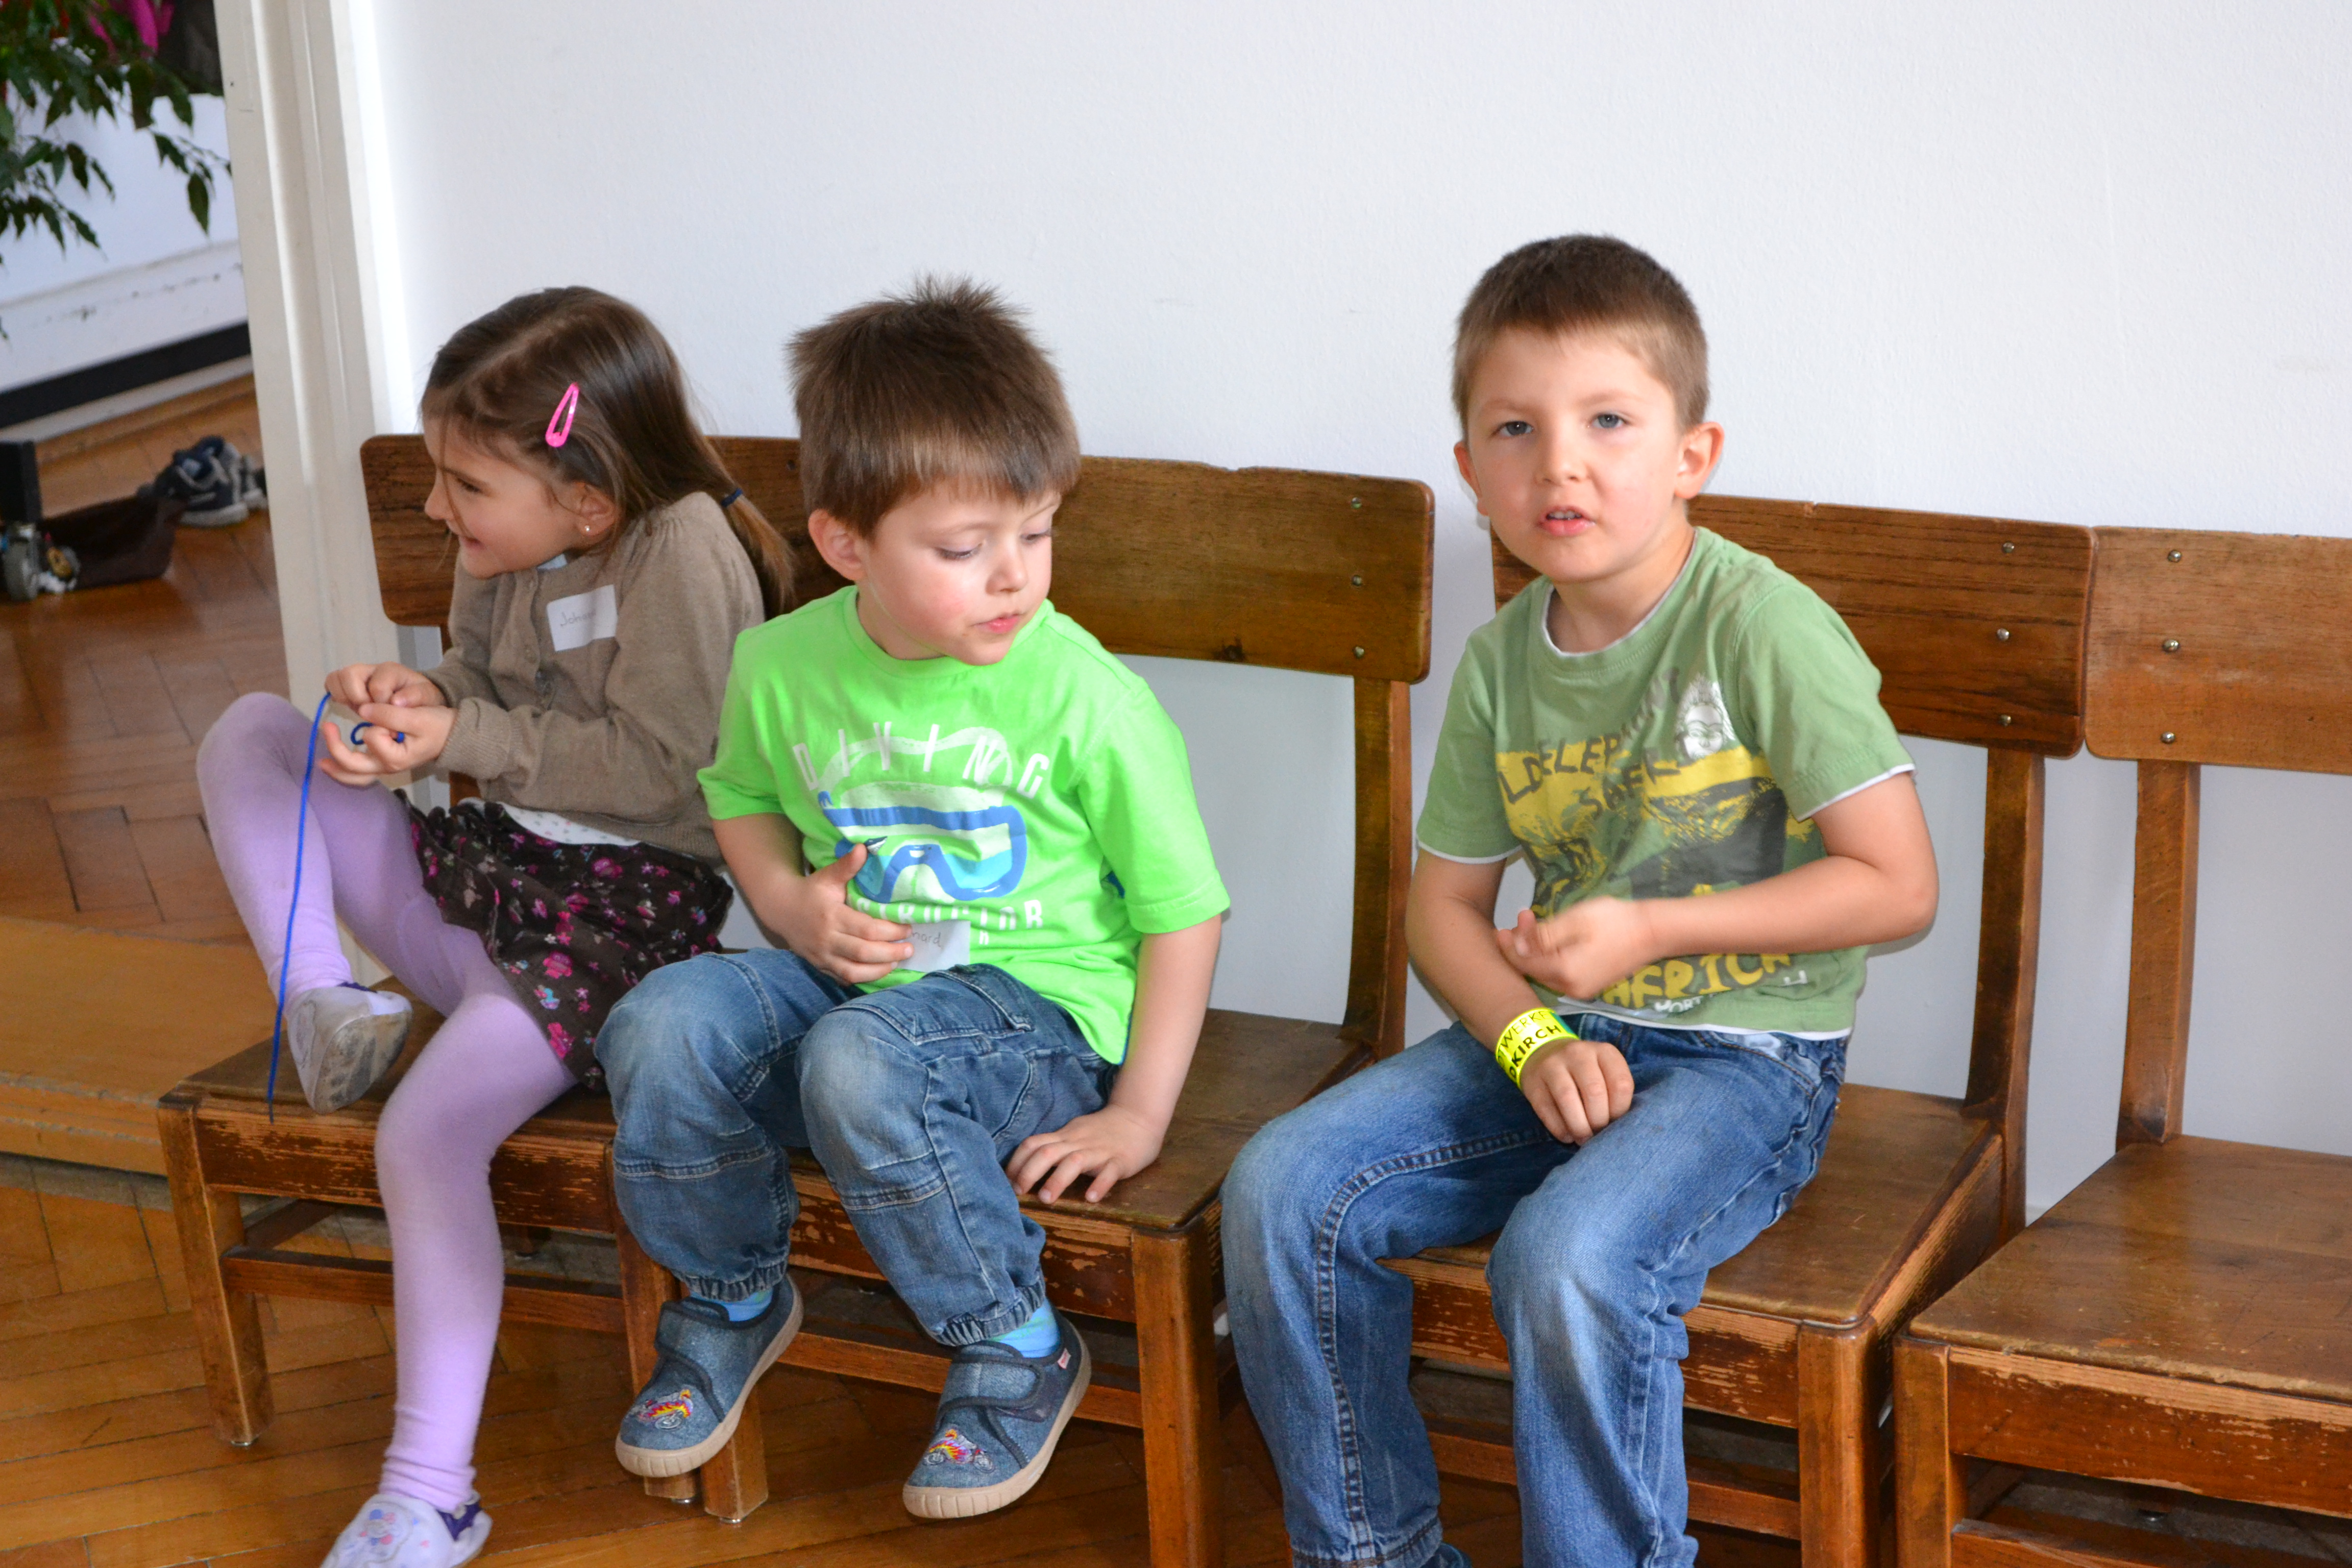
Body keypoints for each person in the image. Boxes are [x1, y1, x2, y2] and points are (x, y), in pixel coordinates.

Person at [1221, 235, 1941, 1568]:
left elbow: (1898, 885)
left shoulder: (1761, 628)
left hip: (1749, 1061)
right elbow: (1442, 911)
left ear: (1691, 453)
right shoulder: (1502, 663)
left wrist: (1655, 928)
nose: (1561, 464)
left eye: (1609, 420)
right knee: (1281, 1188)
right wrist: (1527, 1037)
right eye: (1517, 428)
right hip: (1560, 1042)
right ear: (1470, 470)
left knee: (1565, 1257)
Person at [595, 278, 1229, 1521]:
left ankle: (1015, 1341)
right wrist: (787, 906)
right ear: (846, 547)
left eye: (1036, 532)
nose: (1015, 578)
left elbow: (1183, 910)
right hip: (854, 997)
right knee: (662, 1022)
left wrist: (1140, 1112)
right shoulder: (782, 663)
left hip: (1038, 1025)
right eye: (964, 549)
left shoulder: (1087, 698)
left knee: (862, 1058)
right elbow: (739, 795)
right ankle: (731, 1293)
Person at [195, 286, 791, 1568]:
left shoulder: (680, 550)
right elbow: (481, 686)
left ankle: (428, 1496)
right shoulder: (504, 550)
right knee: (258, 732)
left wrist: (460, 732)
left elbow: (676, 771)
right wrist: (411, 696)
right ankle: (324, 1000)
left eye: (464, 484)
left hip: (618, 926)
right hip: (485, 884)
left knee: (423, 1136)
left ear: (587, 502)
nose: (435, 508)